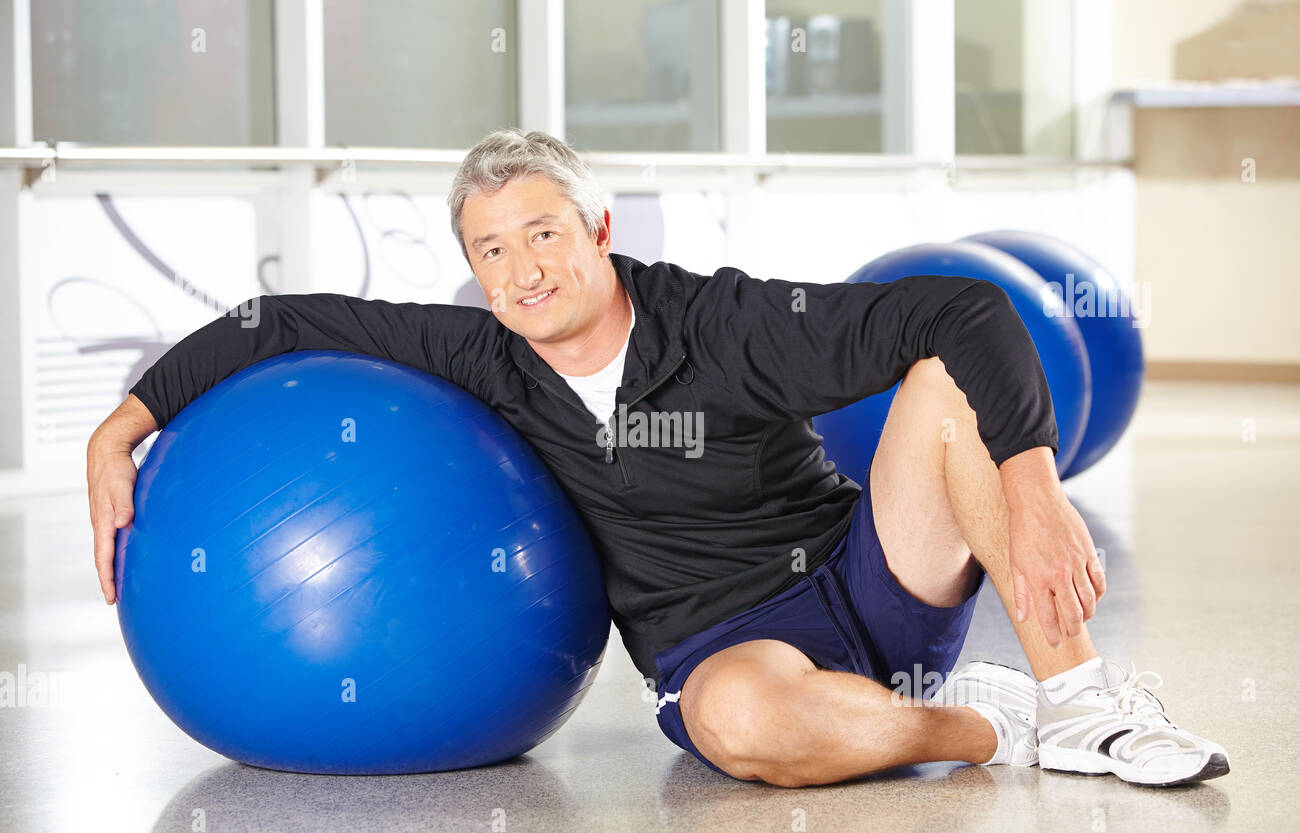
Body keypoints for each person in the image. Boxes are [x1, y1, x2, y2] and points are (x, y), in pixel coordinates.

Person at [86, 129, 1229, 788]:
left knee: (939, 388)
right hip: (719, 642)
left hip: (869, 576)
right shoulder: (484, 355)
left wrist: (1031, 489)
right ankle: (993, 725)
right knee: (740, 728)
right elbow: (276, 324)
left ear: (597, 232)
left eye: (543, 233)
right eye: (491, 249)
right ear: (474, 269)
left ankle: (1079, 702)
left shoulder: (730, 321)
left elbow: (968, 310)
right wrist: (121, 423)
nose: (522, 268)